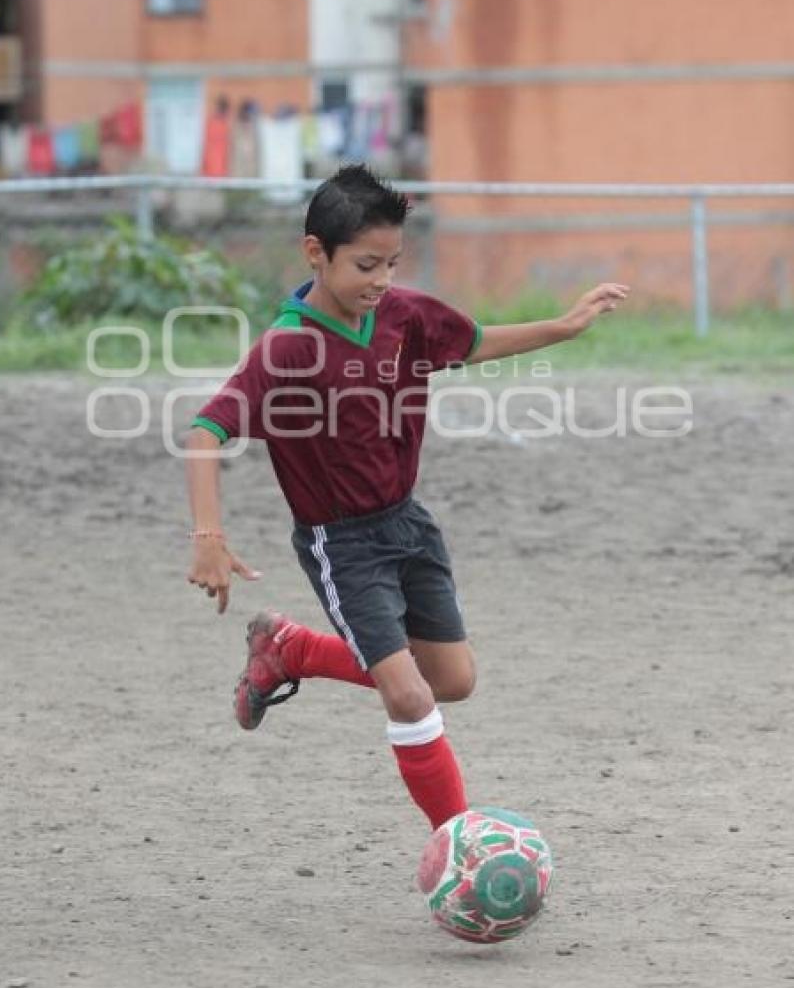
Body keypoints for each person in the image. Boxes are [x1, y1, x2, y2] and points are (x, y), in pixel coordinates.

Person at [186, 166, 629, 831]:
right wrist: (208, 537)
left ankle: (293, 649)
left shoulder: (403, 315)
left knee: (451, 678)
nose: (383, 279)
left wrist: (563, 327)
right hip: (344, 544)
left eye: (392, 262)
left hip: (409, 525)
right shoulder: (288, 347)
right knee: (410, 694)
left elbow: (474, 342)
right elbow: (205, 431)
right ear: (316, 253)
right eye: (366, 264)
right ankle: (461, 844)